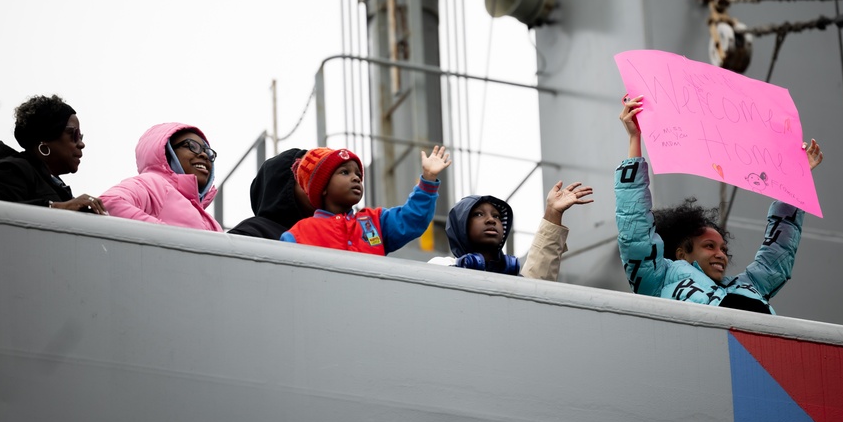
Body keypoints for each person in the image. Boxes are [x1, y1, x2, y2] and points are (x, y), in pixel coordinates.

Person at [616, 95, 824, 314]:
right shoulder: (658, 280)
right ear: (681, 254)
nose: (721, 254)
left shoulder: (749, 286)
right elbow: (636, 233)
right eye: (709, 246)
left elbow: (778, 252)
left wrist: (797, 180)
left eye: (723, 249)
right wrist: (634, 139)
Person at [280, 145, 451, 254]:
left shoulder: (374, 222)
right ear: (322, 187)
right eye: (345, 172)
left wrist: (428, 179)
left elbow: (412, 219)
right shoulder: (299, 234)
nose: (355, 178)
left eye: (358, 175)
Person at [428, 181, 594, 280]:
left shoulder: (512, 278)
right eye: (478, 214)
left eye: (497, 216)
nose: (491, 220)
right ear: (460, 226)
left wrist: (553, 213)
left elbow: (537, 282)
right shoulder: (440, 267)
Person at [0, 95, 107, 213]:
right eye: (74, 135)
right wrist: (57, 208)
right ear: (46, 140)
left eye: (81, 136)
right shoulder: (9, 170)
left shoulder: (57, 187)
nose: (81, 144)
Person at [101, 122, 221, 231]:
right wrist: (167, 237)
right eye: (192, 146)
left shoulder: (211, 223)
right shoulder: (152, 184)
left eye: (208, 152)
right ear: (168, 152)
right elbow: (109, 203)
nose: (204, 155)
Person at [228, 147, 314, 240]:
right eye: (306, 171)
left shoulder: (324, 232)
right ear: (282, 183)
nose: (319, 179)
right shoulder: (251, 233)